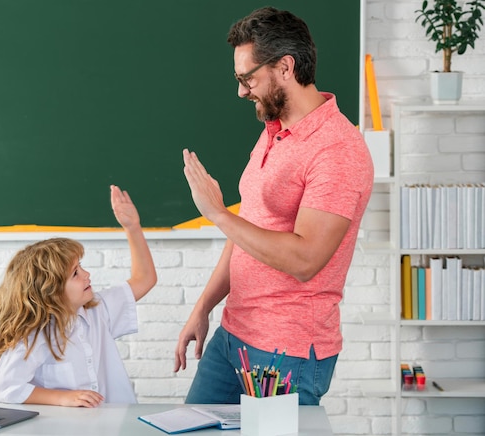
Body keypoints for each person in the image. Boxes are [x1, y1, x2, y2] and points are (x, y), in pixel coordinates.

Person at [174, 7, 374, 406]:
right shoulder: (274, 132)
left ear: (285, 67)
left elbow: (305, 259)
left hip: (286, 352)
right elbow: (249, 228)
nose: (242, 91)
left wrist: (217, 213)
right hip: (234, 336)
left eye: (247, 78)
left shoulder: (338, 150)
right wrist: (203, 307)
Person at [0, 185, 157, 408]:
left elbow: (145, 279)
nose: (87, 275)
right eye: (75, 273)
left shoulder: (98, 310)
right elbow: (3, 390)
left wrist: (133, 228)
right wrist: (62, 397)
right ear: (50, 290)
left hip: (117, 422)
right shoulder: (34, 335)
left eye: (80, 267)